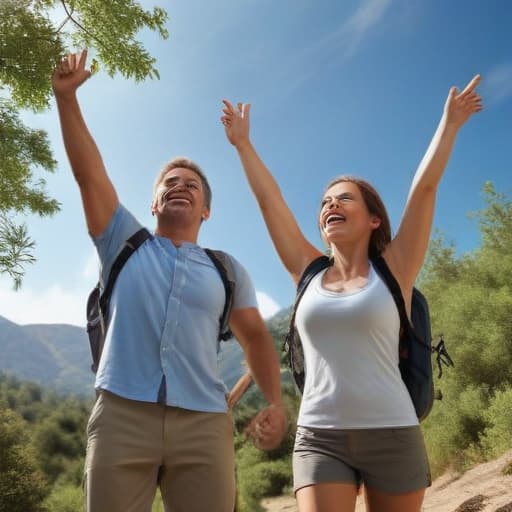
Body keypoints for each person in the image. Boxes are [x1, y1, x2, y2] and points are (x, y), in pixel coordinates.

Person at [221, 76, 482, 512]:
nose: (330, 206)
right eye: (324, 202)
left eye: (344, 199)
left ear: (374, 219)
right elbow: (270, 202)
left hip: (393, 431)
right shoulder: (306, 272)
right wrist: (243, 145)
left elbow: (424, 190)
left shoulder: (396, 270)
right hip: (319, 438)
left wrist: (450, 123)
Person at [52, 50, 287, 512]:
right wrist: (66, 99)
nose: (179, 186)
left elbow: (257, 338)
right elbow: (88, 175)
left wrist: (275, 403)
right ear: (154, 204)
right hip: (121, 415)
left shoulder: (227, 269)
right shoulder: (123, 241)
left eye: (191, 185)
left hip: (204, 422)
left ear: (206, 211)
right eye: (169, 183)